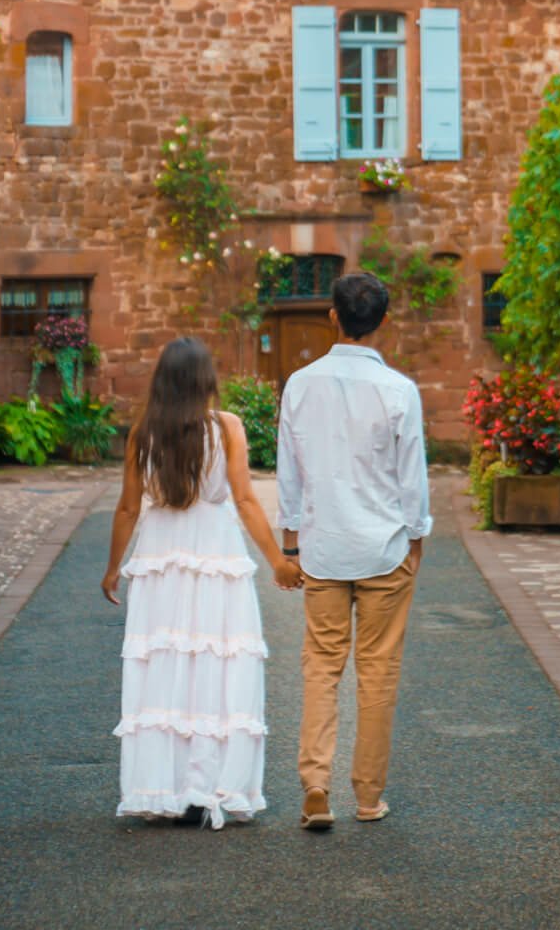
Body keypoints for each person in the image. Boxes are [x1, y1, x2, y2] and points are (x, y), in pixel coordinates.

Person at [102, 336, 302, 827]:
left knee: (166, 668)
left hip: (161, 556)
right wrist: (277, 559)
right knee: (217, 663)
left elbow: (128, 507)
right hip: (216, 553)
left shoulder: (141, 434)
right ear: (206, 381)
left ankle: (164, 785)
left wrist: (113, 568)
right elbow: (246, 501)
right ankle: (209, 783)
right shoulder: (227, 428)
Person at [276, 270, 431, 829]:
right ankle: (368, 796)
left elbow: (289, 473)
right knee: (378, 671)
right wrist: (417, 537)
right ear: (383, 322)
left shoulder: (299, 384)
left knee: (320, 665)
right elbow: (411, 475)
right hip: (384, 547)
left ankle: (316, 781)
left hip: (322, 548)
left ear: (333, 317)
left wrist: (290, 545)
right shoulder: (399, 391)